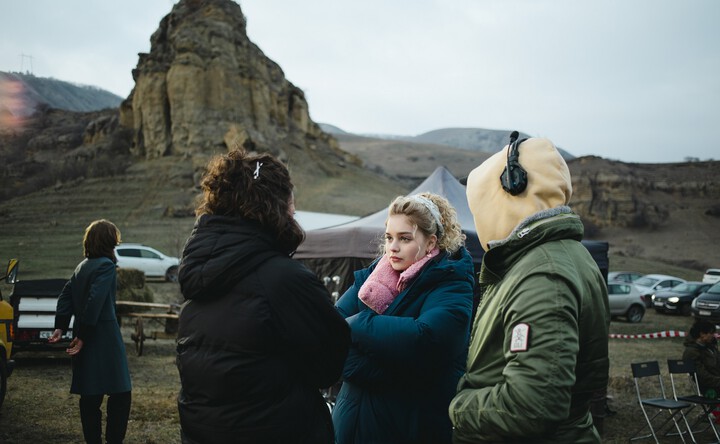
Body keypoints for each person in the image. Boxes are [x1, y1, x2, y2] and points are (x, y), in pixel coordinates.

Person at [176, 149, 351, 444]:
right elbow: (329, 365)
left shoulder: (201, 276)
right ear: (275, 206)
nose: (294, 210)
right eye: (290, 201)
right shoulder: (284, 280)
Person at [450, 133, 610, 443]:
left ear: (511, 188)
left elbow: (531, 407)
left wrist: (457, 406)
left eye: (481, 205)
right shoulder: (554, 258)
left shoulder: (543, 274)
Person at [332, 192, 475, 444]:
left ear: (430, 243)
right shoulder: (373, 279)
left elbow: (427, 339)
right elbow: (329, 334)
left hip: (406, 428)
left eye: (405, 238)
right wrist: (392, 369)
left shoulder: (452, 283)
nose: (393, 247)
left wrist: (358, 323)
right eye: (389, 237)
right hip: (349, 423)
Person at [49, 219, 132, 444]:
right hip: (103, 336)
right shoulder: (106, 266)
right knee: (121, 394)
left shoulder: (82, 266)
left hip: (84, 334)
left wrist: (60, 327)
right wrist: (83, 337)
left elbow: (65, 296)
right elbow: (95, 301)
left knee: (90, 395)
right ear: (109, 241)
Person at [683, 320, 720, 397]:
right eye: (711, 333)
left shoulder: (711, 348)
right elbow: (702, 376)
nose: (713, 336)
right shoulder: (692, 352)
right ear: (702, 334)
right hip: (709, 388)